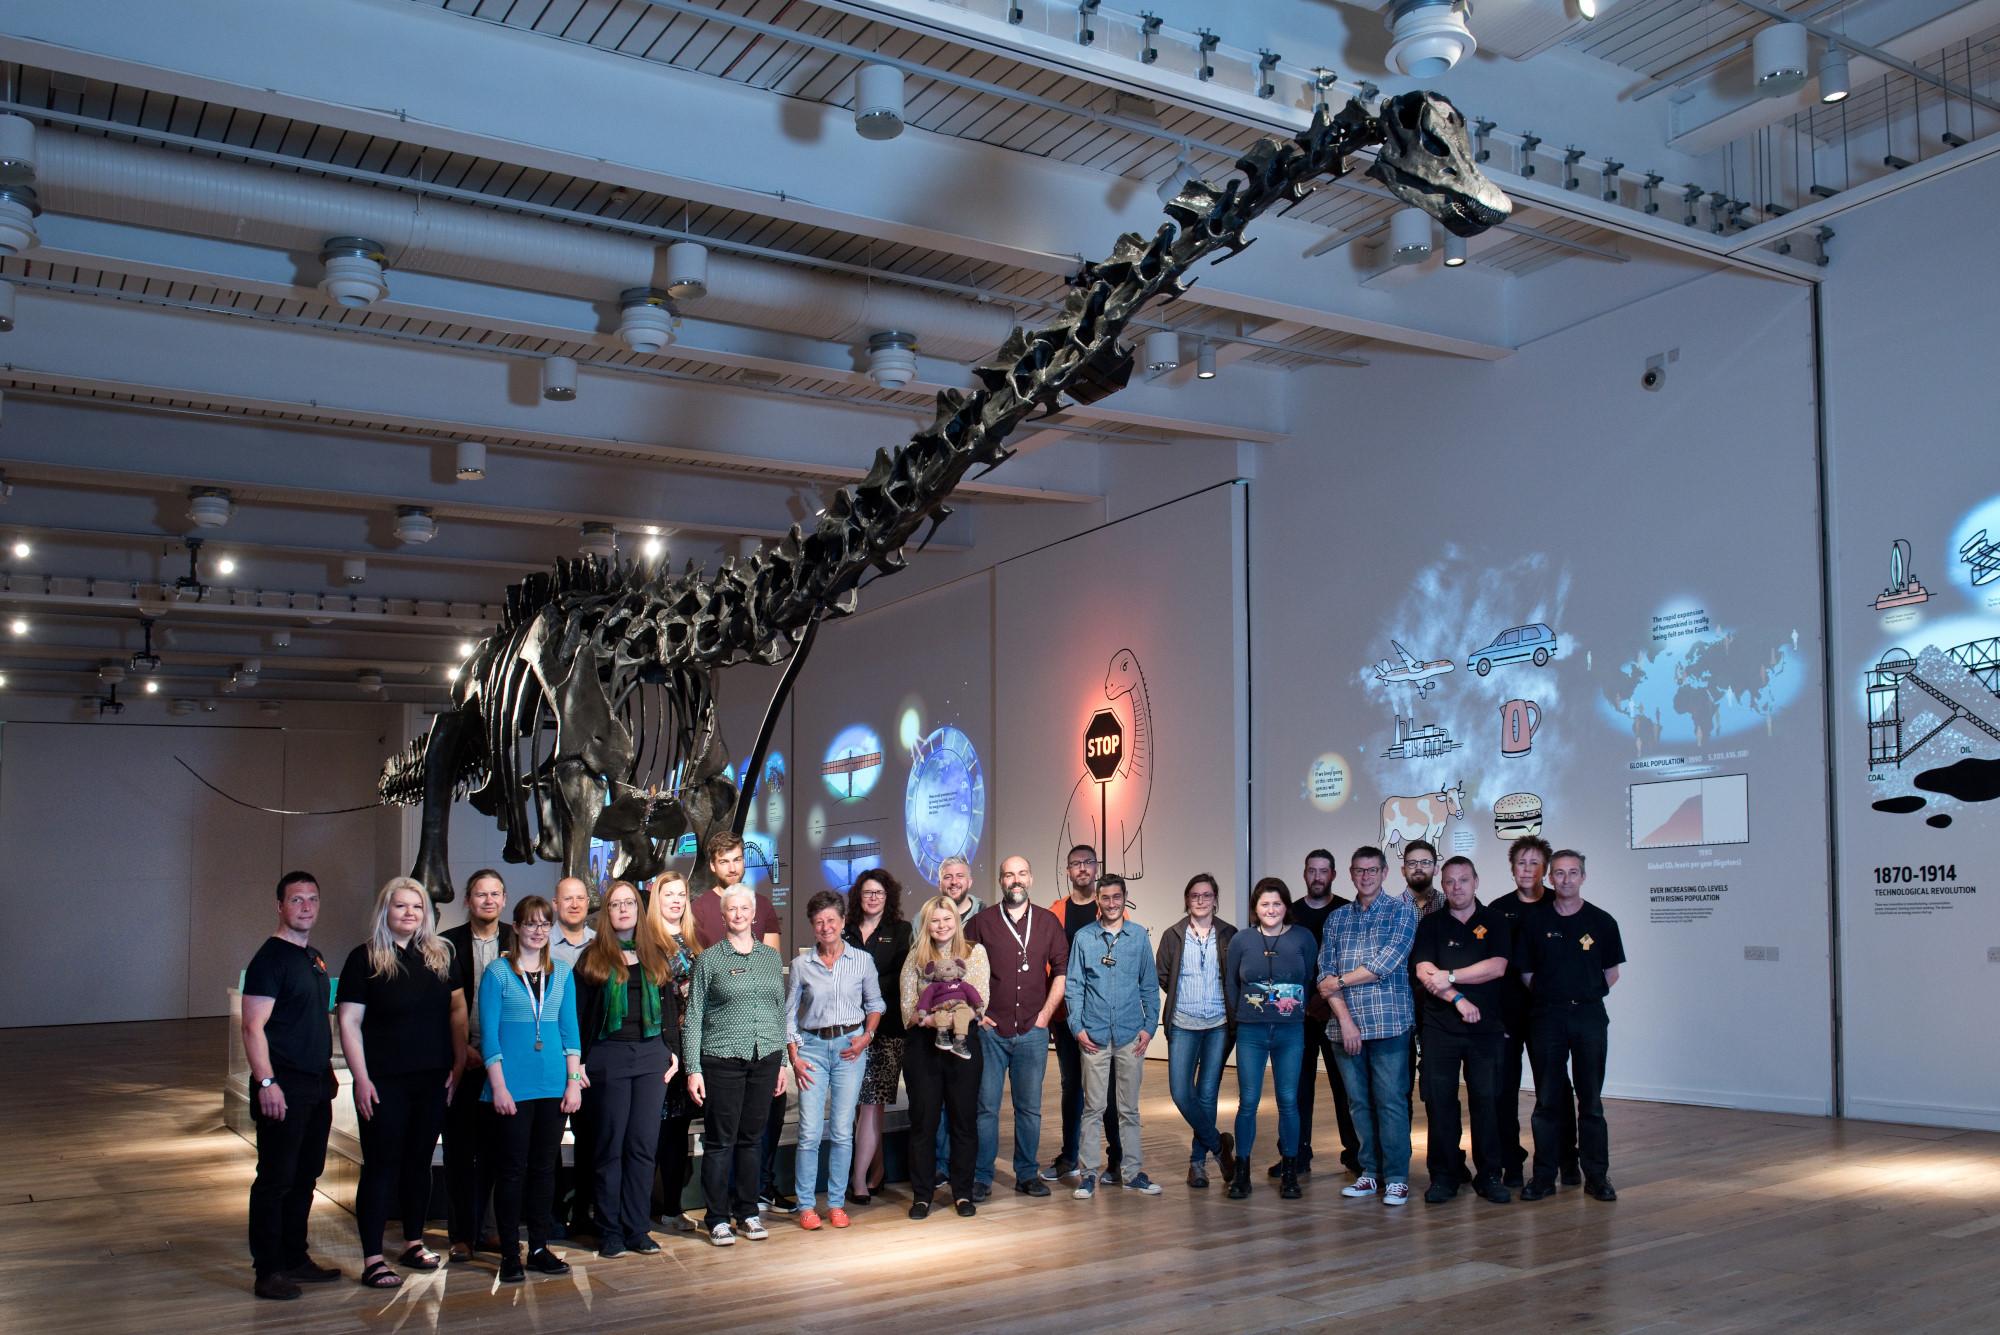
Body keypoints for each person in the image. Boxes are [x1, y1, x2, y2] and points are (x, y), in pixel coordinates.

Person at [336, 876, 459, 1289]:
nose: (409, 913)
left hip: (431, 1080)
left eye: (417, 906)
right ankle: (373, 1258)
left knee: (419, 1164)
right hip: (384, 1081)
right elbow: (349, 1023)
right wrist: (361, 1078)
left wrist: (455, 1068)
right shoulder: (364, 958)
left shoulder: (440, 956)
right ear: (385, 911)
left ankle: (412, 1242)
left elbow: (454, 1018)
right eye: (401, 906)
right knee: (381, 1166)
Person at [242, 870, 340, 1300]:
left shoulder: (314, 957)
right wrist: (266, 1081)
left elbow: (314, 1020)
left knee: (306, 1176)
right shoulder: (270, 959)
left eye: (312, 899)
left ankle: (295, 1258)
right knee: (276, 1179)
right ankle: (268, 1270)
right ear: (279, 906)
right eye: (296, 900)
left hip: (315, 1086)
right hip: (282, 1086)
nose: (305, 907)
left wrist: (327, 1072)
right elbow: (252, 1027)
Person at [479, 896, 583, 1283]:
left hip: (553, 1085)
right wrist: (499, 1087)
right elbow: (489, 1036)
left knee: (544, 1170)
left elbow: (570, 1033)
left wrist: (573, 1084)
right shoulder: (498, 973)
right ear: (517, 927)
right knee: (511, 1171)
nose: (537, 931)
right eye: (530, 923)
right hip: (512, 1089)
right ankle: (509, 1252)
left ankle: (539, 1246)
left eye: (544, 924)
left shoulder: (562, 975)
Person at [573, 880, 679, 1258]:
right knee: (610, 1146)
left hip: (651, 1056)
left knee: (642, 1146)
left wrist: (673, 1051)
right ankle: (610, 1231)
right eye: (616, 904)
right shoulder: (592, 958)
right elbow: (578, 1015)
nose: (622, 909)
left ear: (638, 909)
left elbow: (668, 1009)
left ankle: (638, 1230)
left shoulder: (656, 955)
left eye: (629, 903)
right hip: (608, 1056)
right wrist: (578, 1061)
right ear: (607, 913)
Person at [1515, 850, 1625, 1203]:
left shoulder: (1602, 921)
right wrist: (1554, 996)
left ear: (1583, 877)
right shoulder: (1534, 922)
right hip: (1547, 1017)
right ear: (1549, 878)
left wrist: (1581, 995)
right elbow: (1526, 973)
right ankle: (1544, 1177)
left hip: (1589, 1018)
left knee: (1590, 1101)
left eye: (1572, 873)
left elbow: (1611, 973)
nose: (1565, 880)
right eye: (1559, 874)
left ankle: (1597, 1176)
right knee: (1547, 1100)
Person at [684, 884, 790, 1247]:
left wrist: (783, 1064)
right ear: (724, 915)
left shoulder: (770, 958)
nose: (740, 914)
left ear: (754, 913)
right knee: (720, 1142)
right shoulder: (710, 960)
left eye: (745, 908)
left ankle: (747, 1213)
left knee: (751, 1140)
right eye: (733, 909)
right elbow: (695, 1014)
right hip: (722, 1059)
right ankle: (716, 1218)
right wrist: (693, 1068)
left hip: (766, 1059)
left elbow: (779, 1010)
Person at [1316, 846, 1418, 1206]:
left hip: (1389, 1025)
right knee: (1358, 1104)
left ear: (1385, 872)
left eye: (1372, 870)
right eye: (1359, 870)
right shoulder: (1337, 918)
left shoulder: (1402, 912)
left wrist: (1341, 982)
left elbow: (1384, 965)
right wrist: (1344, 1020)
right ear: (1351, 873)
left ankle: (1396, 1177)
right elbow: (1324, 975)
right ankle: (1370, 1173)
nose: (1366, 876)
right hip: (1345, 1028)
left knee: (1390, 1101)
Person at [1411, 856, 1512, 1205]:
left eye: (1463, 880)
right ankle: (1444, 1175)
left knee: (1487, 1101)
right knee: (1440, 1104)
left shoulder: (1495, 921)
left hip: (1486, 1029)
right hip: (1440, 1028)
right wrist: (1458, 999)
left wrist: (1451, 977)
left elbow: (1496, 967)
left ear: (1476, 881)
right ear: (1443, 885)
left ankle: (1489, 1176)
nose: (1457, 887)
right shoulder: (1431, 924)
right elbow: (1425, 971)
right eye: (1450, 881)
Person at [965, 856, 1067, 1200]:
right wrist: (977, 1013)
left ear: (1031, 879)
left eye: (1022, 873)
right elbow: (960, 973)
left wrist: (1046, 1015)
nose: (1016, 880)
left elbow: (1062, 971)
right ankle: (981, 1175)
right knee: (986, 1107)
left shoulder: (1049, 922)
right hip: (992, 1031)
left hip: (1033, 1031)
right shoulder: (981, 923)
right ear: (1000, 881)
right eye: (1009, 875)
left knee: (1029, 1108)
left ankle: (1026, 1173)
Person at [785, 890, 884, 1230]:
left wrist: (865, 1037)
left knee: (842, 1131)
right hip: (812, 1048)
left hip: (849, 1049)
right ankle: (807, 1206)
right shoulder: (801, 965)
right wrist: (794, 1053)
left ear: (843, 922)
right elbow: (789, 1016)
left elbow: (875, 1004)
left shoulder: (861, 961)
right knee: (810, 1132)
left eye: (831, 920)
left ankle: (837, 1203)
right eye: (819, 922)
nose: (826, 927)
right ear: (812, 927)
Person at [1066, 875, 1161, 1198]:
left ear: (1125, 898)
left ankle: (1133, 1172)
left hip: (1130, 1035)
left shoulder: (1138, 937)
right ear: (1097, 900)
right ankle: (1089, 1174)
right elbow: (1074, 986)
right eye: (1105, 898)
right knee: (1093, 1108)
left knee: (1129, 1109)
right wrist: (1076, 1027)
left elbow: (1149, 984)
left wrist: (1149, 1027)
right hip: (1092, 1035)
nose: (1111, 903)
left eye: (1116, 897)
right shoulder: (1084, 938)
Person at [1223, 877, 1315, 1200]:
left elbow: (1310, 978)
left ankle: (1290, 1171)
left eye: (1277, 903)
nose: (1271, 909)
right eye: (1265, 904)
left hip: (1290, 1031)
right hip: (1251, 1030)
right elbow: (1232, 983)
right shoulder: (1242, 940)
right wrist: (1240, 1017)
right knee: (1248, 1102)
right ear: (1255, 908)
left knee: (1288, 1101)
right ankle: (1242, 1172)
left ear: (1286, 906)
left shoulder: (1303, 938)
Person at [898, 896, 990, 1219]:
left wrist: (946, 1021)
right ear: (926, 924)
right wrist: (933, 1021)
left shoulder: (974, 953)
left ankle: (962, 1194)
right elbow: (908, 1009)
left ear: (957, 920)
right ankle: (922, 1195)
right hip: (924, 1048)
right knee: (924, 1122)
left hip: (964, 1047)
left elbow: (981, 1000)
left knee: (964, 1121)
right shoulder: (915, 958)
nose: (941, 926)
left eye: (947, 919)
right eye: (935, 921)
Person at [1492, 835, 1574, 1188]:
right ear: (1512, 869)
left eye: (1534, 863)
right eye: (1520, 863)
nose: (1527, 869)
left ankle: (1567, 1161)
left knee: (1554, 1090)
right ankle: (1511, 1163)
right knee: (1503, 1092)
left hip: (1550, 1016)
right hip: (1508, 1016)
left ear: (1546, 870)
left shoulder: (1562, 904)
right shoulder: (1496, 909)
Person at [441, 868, 512, 1263]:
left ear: (504, 899)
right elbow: (441, 1006)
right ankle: (461, 1235)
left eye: (495, 894)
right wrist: (461, 1048)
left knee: (499, 1152)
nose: (488, 900)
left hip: (506, 1065)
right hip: (462, 1062)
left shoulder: (517, 940)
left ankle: (491, 1230)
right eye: (480, 894)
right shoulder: (445, 945)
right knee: (458, 1152)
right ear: (467, 900)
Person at [1042, 844, 1122, 1184]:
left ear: (1096, 867)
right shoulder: (1055, 912)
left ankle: (1116, 1159)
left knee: (1106, 1089)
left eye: (1088, 863)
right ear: (1067, 870)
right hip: (1064, 1016)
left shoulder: (1111, 910)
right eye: (1076, 864)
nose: (1083, 869)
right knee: (1071, 1085)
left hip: (1103, 1018)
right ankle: (1069, 1156)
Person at [1283, 848, 1360, 1182]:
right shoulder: (1291, 913)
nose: (1317, 876)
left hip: (1335, 1009)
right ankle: (1296, 1153)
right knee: (1298, 1086)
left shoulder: (1345, 911)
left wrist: (1326, 999)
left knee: (1345, 1085)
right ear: (1304, 874)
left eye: (1323, 871)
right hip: (1298, 1015)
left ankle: (1355, 1154)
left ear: (1333, 875)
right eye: (1312, 870)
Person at [1156, 872, 1236, 1189]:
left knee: (1206, 1095)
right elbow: (1163, 975)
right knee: (1180, 1092)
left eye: (1206, 895)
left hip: (1218, 1024)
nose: (1200, 901)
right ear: (1187, 900)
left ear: (1215, 899)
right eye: (1194, 896)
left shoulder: (1230, 934)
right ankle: (1219, 1146)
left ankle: (1197, 1164)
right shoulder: (1173, 935)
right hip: (1183, 1023)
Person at [842, 870, 911, 1205]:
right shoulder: (845, 931)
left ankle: (857, 1180)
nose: (873, 898)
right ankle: (877, 1170)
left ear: (888, 897)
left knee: (872, 1104)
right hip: (849, 1029)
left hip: (886, 1031)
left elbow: (899, 979)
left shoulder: (901, 931)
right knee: (862, 1108)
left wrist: (865, 990)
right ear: (858, 896)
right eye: (867, 892)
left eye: (879, 893)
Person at [647, 873, 701, 1227]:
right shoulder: (648, 943)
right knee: (655, 1132)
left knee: (677, 1133)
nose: (677, 900)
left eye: (681, 894)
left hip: (690, 1048)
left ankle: (671, 1208)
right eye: (669, 894)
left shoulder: (693, 942)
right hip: (661, 1051)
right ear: (657, 899)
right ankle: (648, 1206)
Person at [549, 876, 596, 1238]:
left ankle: (584, 1213)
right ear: (556, 903)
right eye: (568, 899)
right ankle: (549, 1215)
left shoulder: (602, 943)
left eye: (581, 898)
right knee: (548, 1141)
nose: (575, 904)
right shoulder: (542, 945)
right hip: (553, 1056)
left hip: (594, 1058)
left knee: (592, 1140)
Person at [1399, 839, 1443, 1101]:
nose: (1418, 868)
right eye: (1412, 863)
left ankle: (1442, 1143)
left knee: (1436, 1082)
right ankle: (1398, 1144)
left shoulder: (1450, 905)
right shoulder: (1389, 908)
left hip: (1438, 1002)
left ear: (1436, 868)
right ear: (1403, 869)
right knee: (1398, 1084)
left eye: (1425, 863)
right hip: (1400, 1003)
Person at [939, 856, 984, 925]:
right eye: (948, 877)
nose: (954, 882)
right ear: (939, 884)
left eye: (960, 876)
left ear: (969, 883)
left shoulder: (985, 916)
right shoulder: (923, 919)